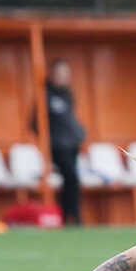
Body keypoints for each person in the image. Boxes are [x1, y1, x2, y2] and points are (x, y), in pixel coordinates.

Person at [45, 59, 86, 225]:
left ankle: (71, 215)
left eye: (66, 74)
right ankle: (70, 216)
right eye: (60, 73)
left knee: (72, 180)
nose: (63, 77)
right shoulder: (46, 95)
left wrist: (79, 133)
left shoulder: (68, 94)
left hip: (72, 145)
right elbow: (36, 124)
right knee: (70, 178)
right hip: (57, 147)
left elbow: (70, 119)